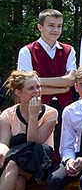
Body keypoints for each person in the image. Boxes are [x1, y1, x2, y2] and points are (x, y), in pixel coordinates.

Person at [17, 8, 77, 147]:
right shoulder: (26, 51)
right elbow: (27, 87)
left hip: (65, 107)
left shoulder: (69, 50)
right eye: (51, 25)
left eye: (59, 26)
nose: (56, 30)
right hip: (36, 108)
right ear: (40, 27)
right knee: (38, 146)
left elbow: (70, 80)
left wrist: (37, 81)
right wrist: (61, 88)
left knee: (64, 146)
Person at [0, 70, 58, 190]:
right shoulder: (7, 114)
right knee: (18, 182)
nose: (36, 91)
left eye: (38, 87)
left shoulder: (51, 113)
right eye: (31, 88)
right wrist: (2, 151)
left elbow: (34, 142)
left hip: (40, 163)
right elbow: (4, 143)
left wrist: (33, 116)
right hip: (16, 164)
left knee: (13, 164)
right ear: (18, 92)